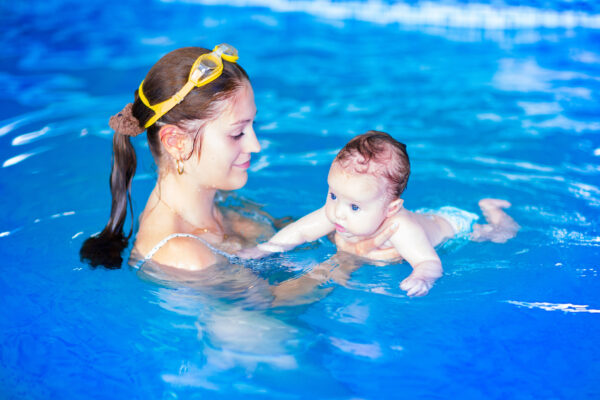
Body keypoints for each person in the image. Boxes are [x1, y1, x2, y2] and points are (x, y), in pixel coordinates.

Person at [80, 45, 387, 272]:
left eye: (253, 125)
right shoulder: (181, 253)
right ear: (176, 142)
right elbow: (269, 309)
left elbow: (286, 232)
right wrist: (347, 261)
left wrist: (359, 233)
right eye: (238, 133)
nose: (255, 145)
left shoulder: (222, 203)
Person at [239, 131, 519, 297]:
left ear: (390, 210)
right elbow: (299, 231)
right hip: (424, 217)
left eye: (355, 206)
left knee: (499, 236)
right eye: (333, 194)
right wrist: (265, 249)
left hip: (455, 227)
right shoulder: (339, 211)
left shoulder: (401, 227)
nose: (338, 211)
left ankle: (492, 211)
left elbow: (428, 261)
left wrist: (423, 276)